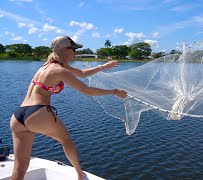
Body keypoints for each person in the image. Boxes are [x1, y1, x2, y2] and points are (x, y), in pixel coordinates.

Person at [10, 35, 127, 180]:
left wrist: (103, 66)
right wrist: (114, 92)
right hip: (37, 113)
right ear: (65, 50)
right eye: (73, 49)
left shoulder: (47, 66)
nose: (75, 53)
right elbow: (87, 90)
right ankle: (79, 174)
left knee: (19, 167)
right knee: (66, 141)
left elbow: (82, 74)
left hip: (18, 117)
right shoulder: (60, 70)